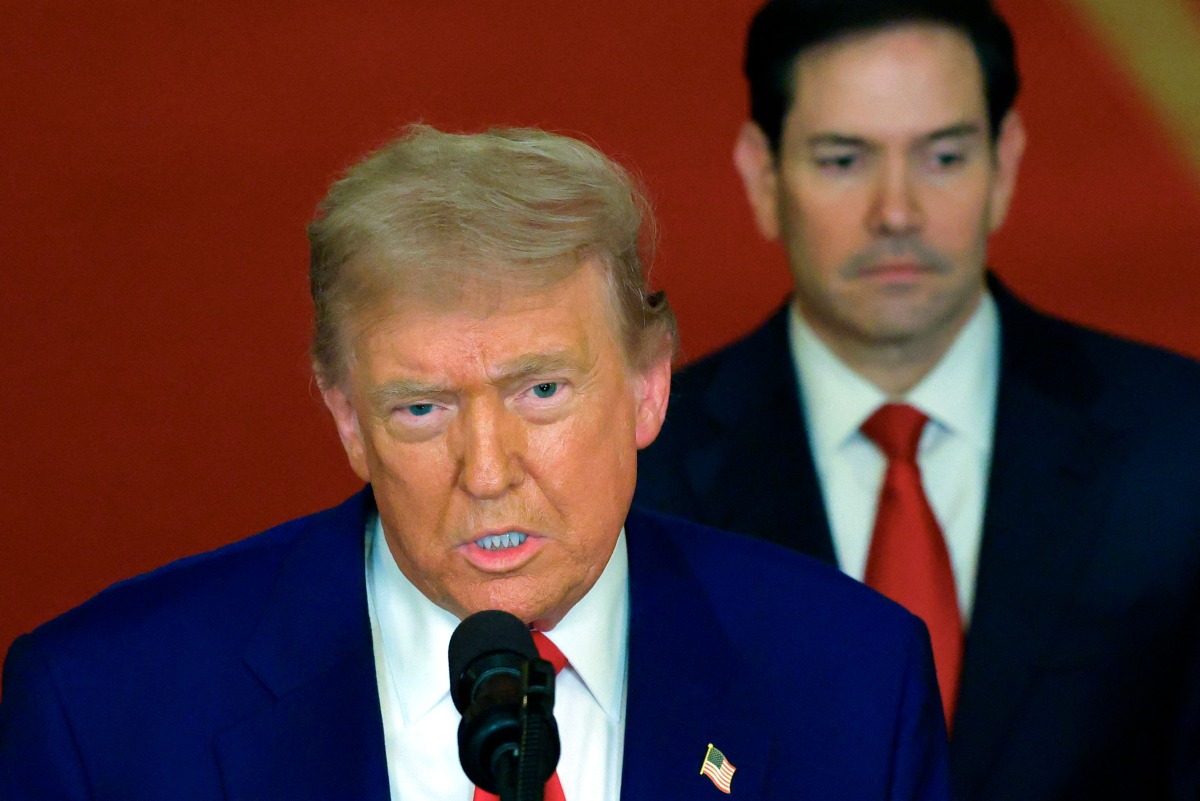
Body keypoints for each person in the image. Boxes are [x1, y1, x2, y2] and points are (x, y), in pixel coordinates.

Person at [0, 125, 950, 800]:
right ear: (346, 417)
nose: (487, 471)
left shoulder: (852, 682)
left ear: (650, 386)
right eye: (421, 408)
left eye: (541, 391)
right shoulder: (102, 715)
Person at [634, 1, 1200, 800]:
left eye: (942, 156)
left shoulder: (1177, 444)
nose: (896, 212)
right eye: (843, 160)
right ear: (763, 177)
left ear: (1003, 166)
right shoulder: (644, 464)